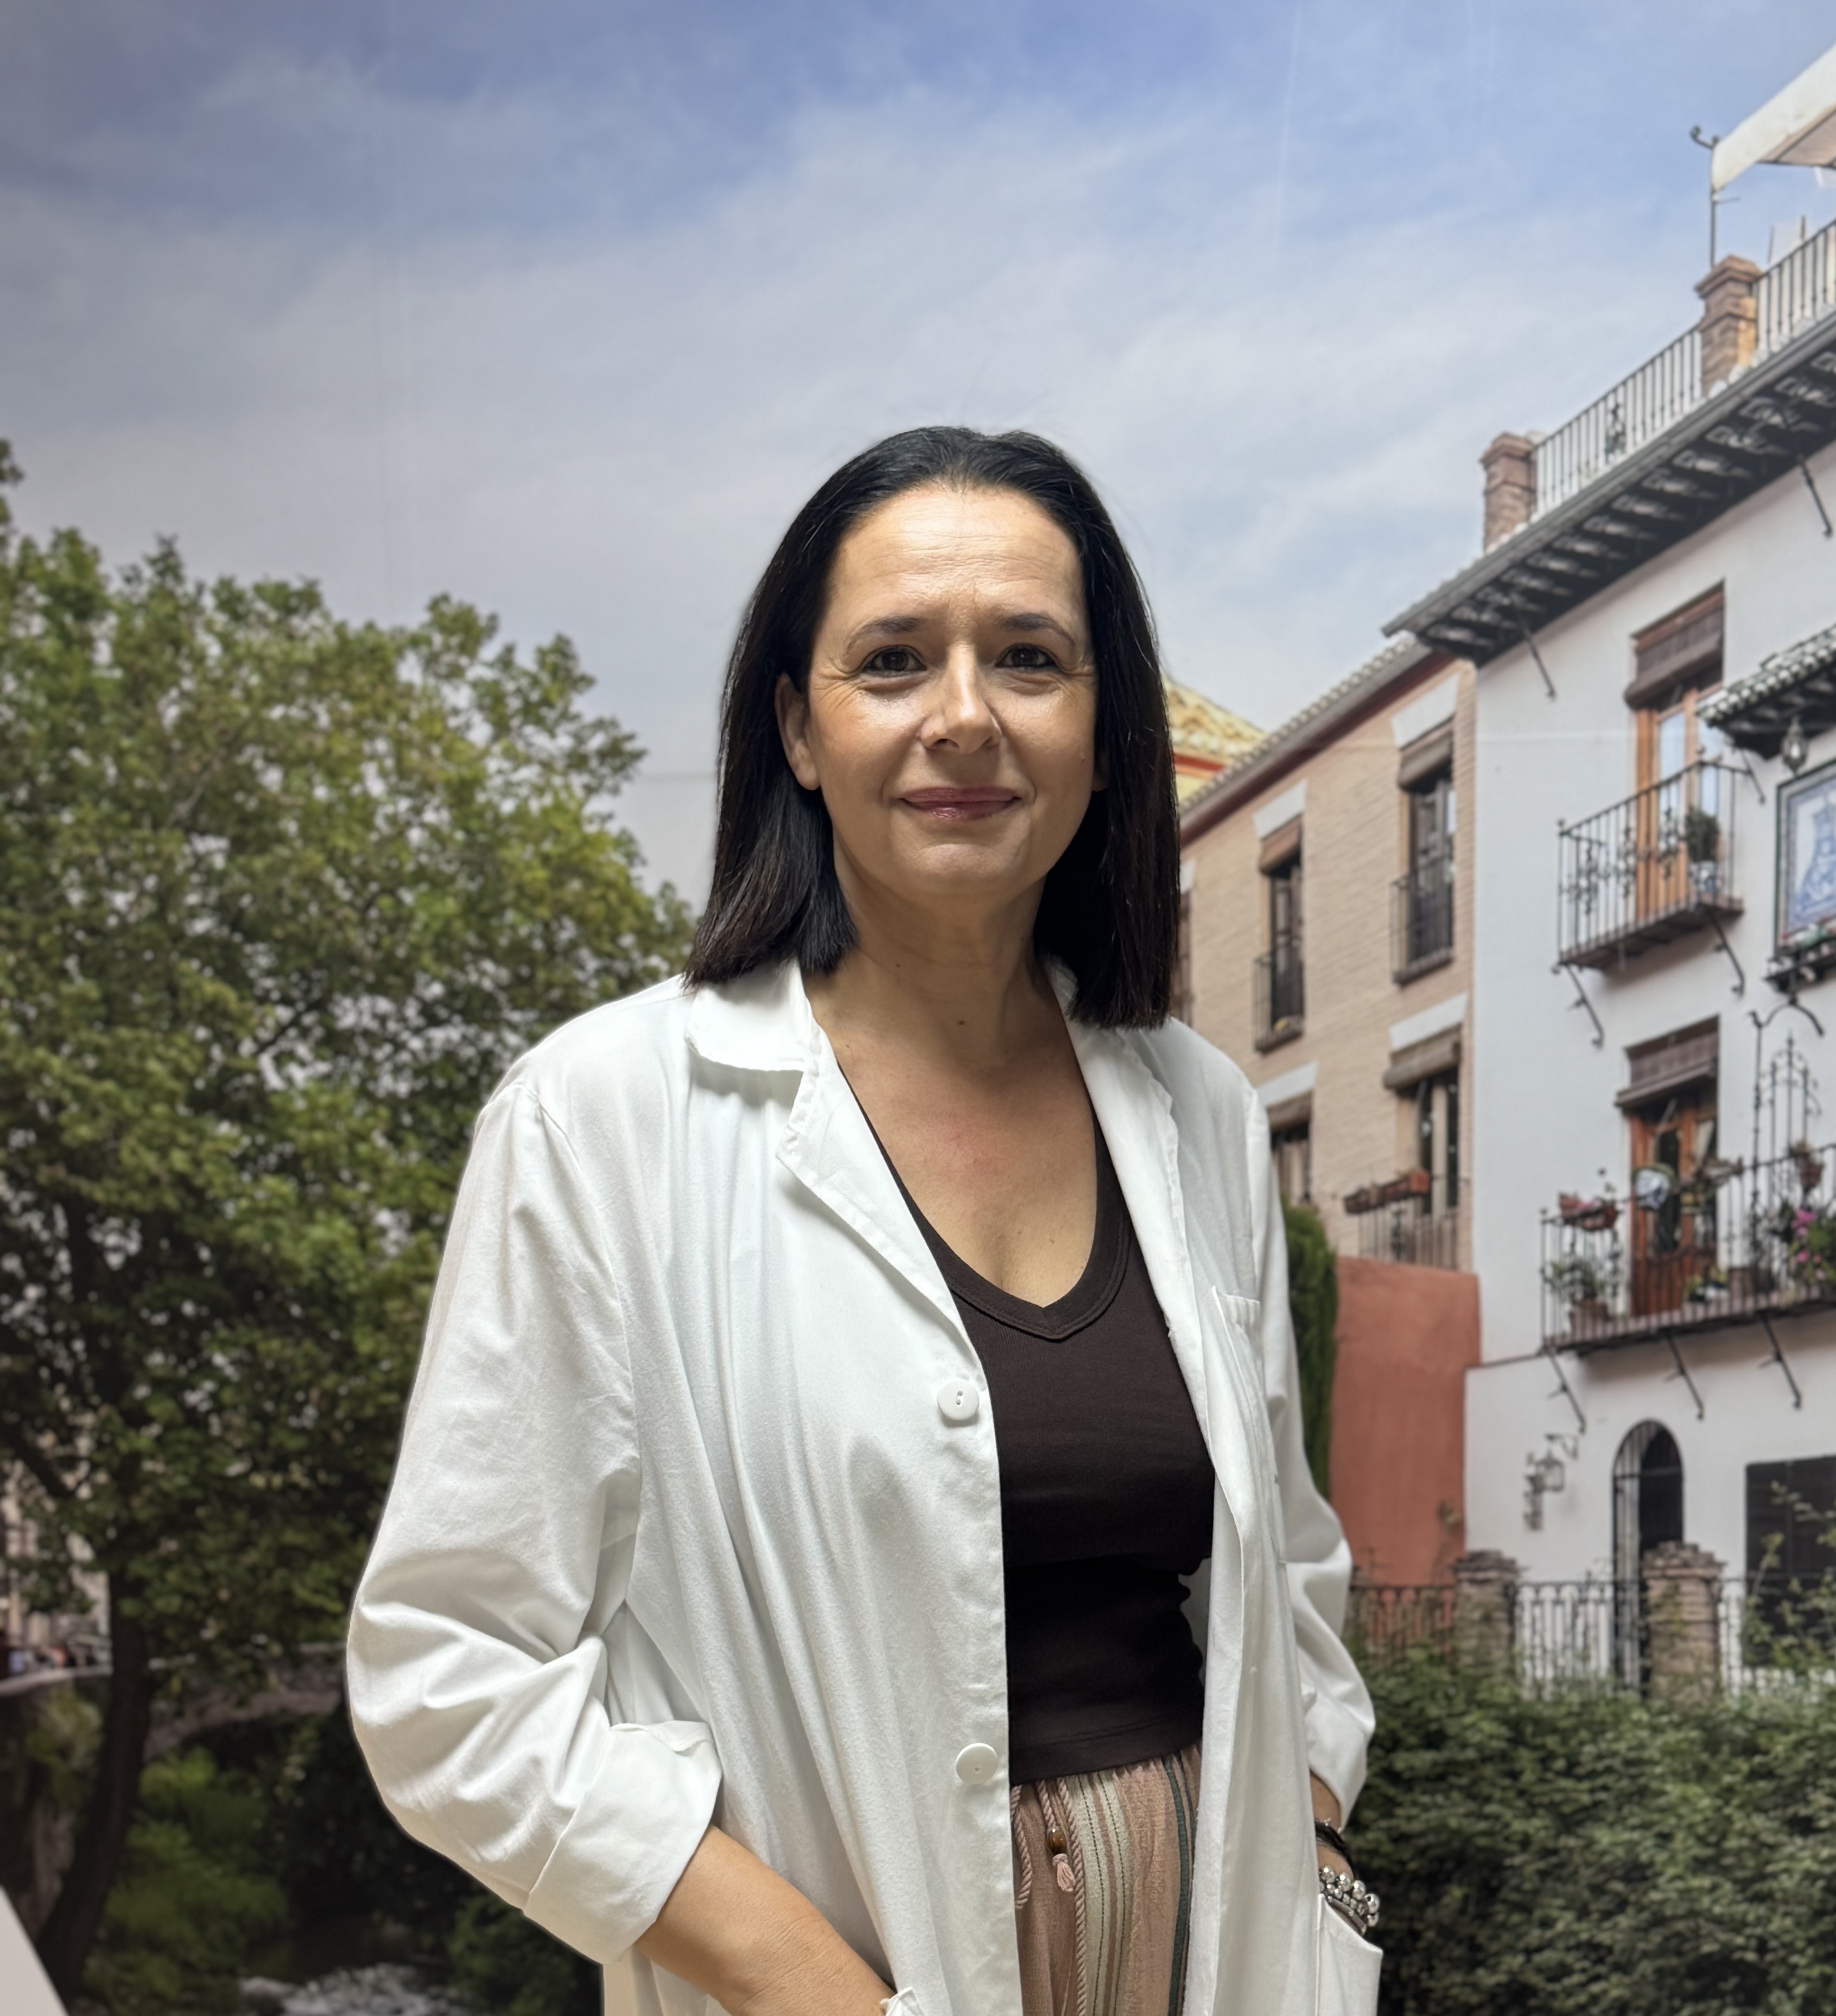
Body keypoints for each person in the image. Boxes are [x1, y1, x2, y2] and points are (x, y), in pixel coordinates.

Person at [348, 427, 1379, 2016]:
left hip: (1213, 1956)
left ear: (1104, 733)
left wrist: (1309, 1851)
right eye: (893, 659)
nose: (963, 714)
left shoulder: (1201, 1112)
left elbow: (1288, 1573)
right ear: (798, 729)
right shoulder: (599, 1119)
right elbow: (451, 1670)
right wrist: (805, 1989)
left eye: (1029, 657)